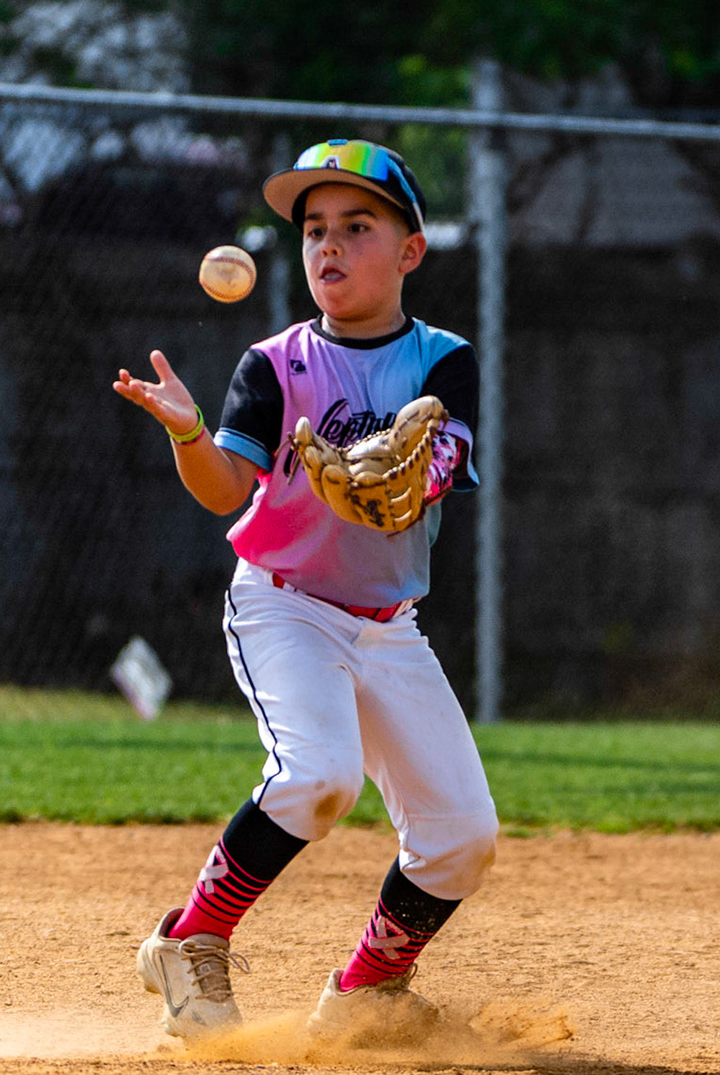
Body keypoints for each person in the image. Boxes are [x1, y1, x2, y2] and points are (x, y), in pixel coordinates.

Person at [112, 138, 497, 1044]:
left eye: (357, 227)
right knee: (318, 777)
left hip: (388, 627)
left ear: (410, 250)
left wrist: (409, 471)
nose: (328, 245)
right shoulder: (275, 365)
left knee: (461, 838)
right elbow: (223, 492)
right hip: (284, 604)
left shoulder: (444, 361)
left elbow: (439, 463)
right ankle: (191, 940)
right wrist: (187, 432)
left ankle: (368, 992)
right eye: (314, 229)